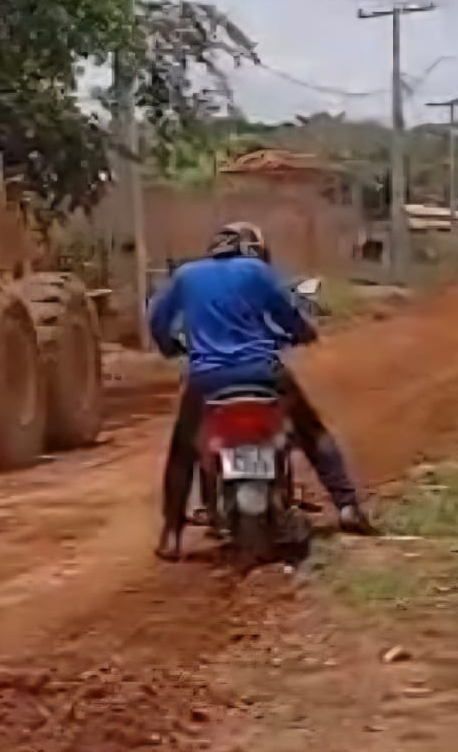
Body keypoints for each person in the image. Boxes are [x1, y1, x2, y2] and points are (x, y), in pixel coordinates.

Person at [147, 221, 372, 560]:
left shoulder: (186, 275)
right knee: (313, 434)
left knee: (183, 453)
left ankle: (171, 534)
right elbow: (286, 314)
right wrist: (304, 334)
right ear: (249, 249)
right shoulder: (256, 271)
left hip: (206, 380)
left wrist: (170, 346)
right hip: (262, 374)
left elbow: (157, 319)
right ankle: (347, 506)